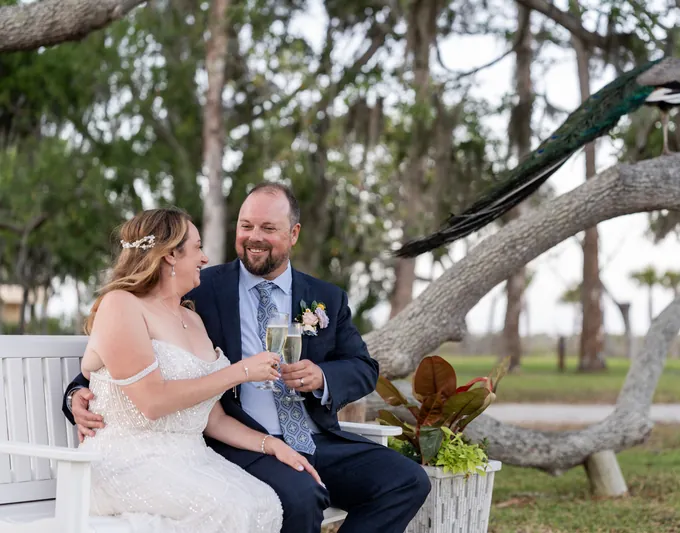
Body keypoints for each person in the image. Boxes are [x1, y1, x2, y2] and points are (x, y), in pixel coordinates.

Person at [63, 183, 431, 533]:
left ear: (294, 234)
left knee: (407, 480)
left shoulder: (325, 298)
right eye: (246, 225)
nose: (254, 236)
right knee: (301, 496)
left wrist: (321, 376)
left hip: (315, 438)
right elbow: (122, 367)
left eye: (268, 227)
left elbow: (363, 368)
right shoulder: (198, 291)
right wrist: (75, 394)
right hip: (237, 442)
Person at [65, 207, 320, 532]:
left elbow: (213, 419)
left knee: (263, 502)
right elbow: (152, 402)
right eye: (197, 247)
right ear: (171, 255)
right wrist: (241, 371)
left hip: (190, 456)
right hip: (125, 459)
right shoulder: (121, 304)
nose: (204, 257)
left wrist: (272, 445)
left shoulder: (193, 321)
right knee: (230, 511)